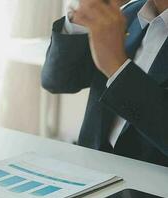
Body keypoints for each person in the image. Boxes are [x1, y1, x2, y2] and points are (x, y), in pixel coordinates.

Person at [42, 0, 168, 167]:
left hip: (149, 190)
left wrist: (117, 67)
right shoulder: (125, 15)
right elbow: (57, 81)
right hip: (90, 176)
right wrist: (82, 16)